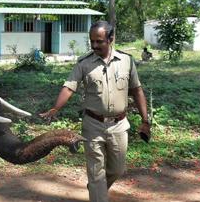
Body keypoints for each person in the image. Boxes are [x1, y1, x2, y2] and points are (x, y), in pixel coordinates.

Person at [39, 20, 151, 202]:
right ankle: (97, 192)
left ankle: (95, 189)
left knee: (117, 169)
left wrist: (145, 119)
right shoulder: (84, 63)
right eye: (92, 41)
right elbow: (69, 87)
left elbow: (137, 90)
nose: (95, 45)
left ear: (111, 38)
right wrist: (55, 108)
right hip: (93, 125)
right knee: (96, 173)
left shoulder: (126, 61)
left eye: (99, 41)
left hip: (119, 126)